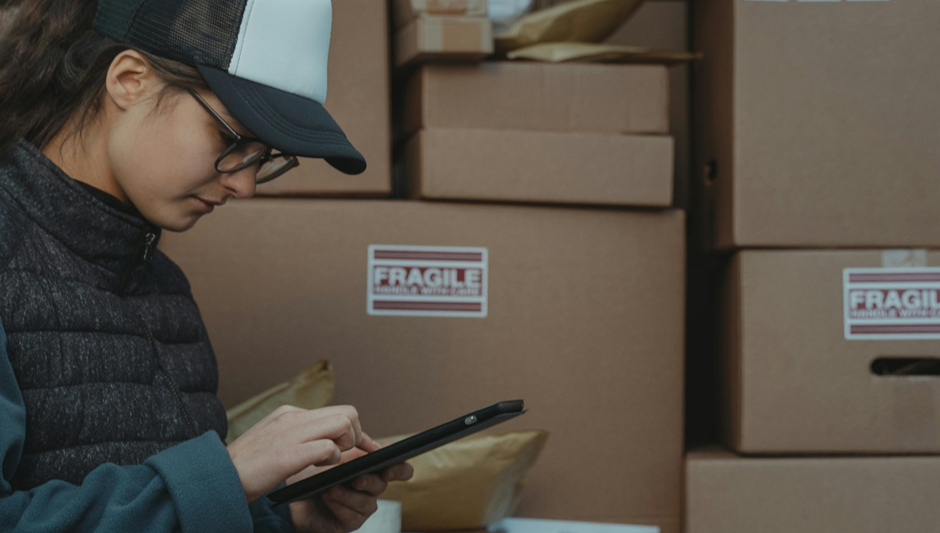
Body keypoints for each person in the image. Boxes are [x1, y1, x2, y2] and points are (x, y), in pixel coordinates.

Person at [0, 0, 413, 532]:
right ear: (129, 80)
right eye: (231, 139)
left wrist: (282, 514)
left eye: (263, 157)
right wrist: (228, 476)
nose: (243, 184)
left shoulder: (165, 291)